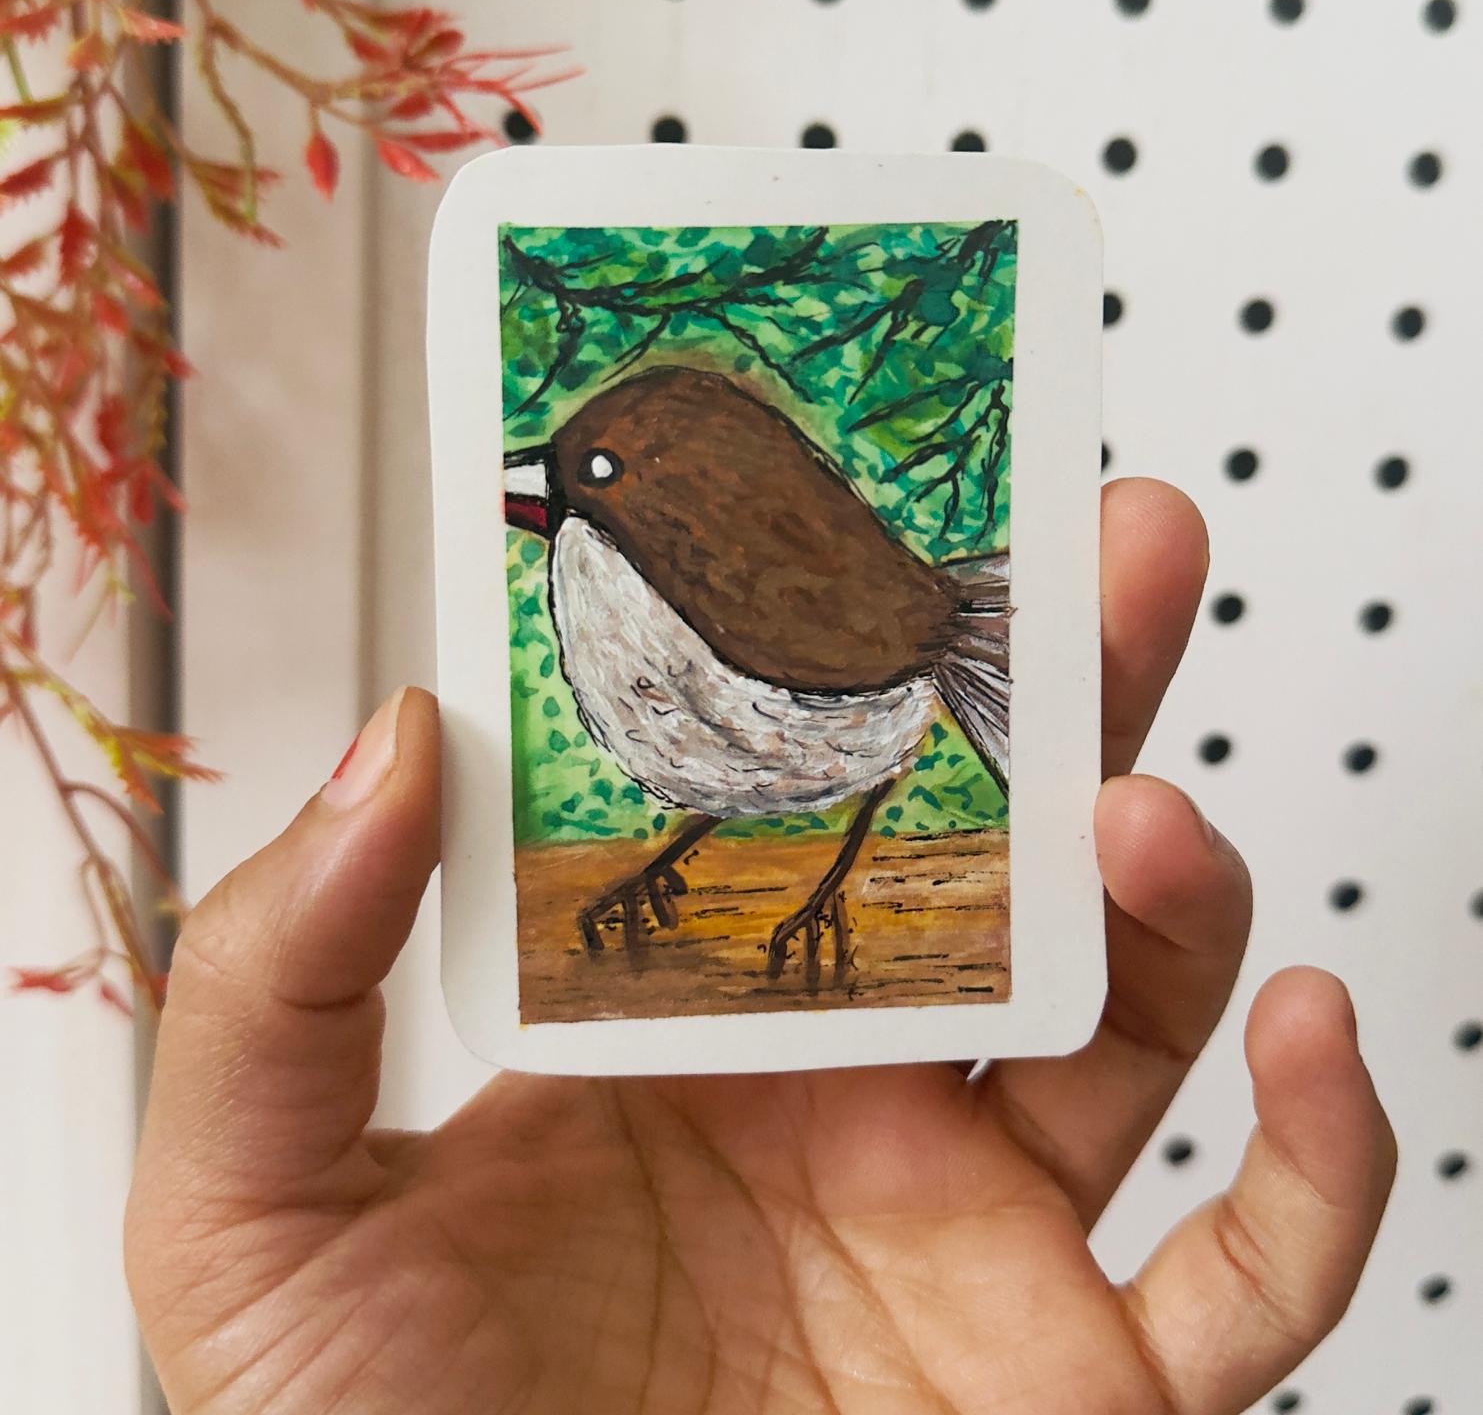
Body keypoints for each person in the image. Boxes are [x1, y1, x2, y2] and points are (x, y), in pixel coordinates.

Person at [124, 481, 1396, 1414]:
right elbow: (696, 752)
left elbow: (866, 733)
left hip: (862, 719)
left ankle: (821, 883)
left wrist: (830, 894)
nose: (545, 506)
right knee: (716, 782)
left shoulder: (722, 595)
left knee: (851, 778)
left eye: (583, 486)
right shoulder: (600, 582)